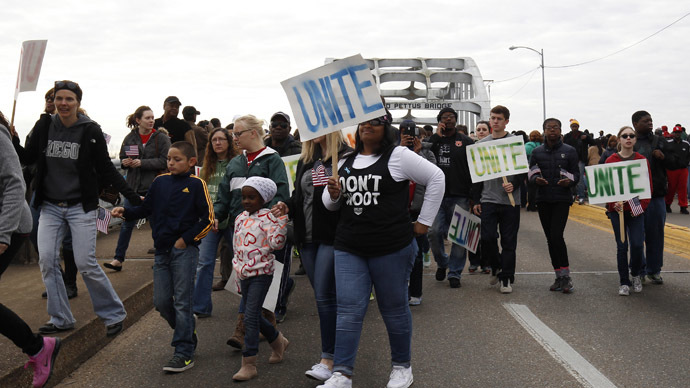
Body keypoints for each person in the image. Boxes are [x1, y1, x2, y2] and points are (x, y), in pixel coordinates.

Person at [318, 113, 444, 388]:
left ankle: (401, 367)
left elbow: (436, 178)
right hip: (350, 246)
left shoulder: (398, 156)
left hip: (391, 247)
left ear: (386, 128)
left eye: (374, 122)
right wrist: (334, 193)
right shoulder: (345, 160)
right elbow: (330, 205)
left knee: (394, 309)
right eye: (363, 122)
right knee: (349, 310)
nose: (367, 126)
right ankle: (342, 373)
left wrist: (424, 223)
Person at [14, 80, 140, 337]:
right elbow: (27, 159)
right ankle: (60, 317)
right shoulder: (44, 125)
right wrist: (12, 137)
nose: (63, 103)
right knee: (47, 260)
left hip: (80, 208)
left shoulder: (90, 130)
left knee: (86, 262)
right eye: (59, 98)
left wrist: (134, 198)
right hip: (49, 206)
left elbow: (106, 168)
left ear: (78, 103)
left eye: (68, 99)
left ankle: (114, 314)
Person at [111, 141, 213, 373]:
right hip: (161, 251)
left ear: (191, 162)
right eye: (169, 159)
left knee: (183, 301)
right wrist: (126, 212)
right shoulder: (160, 182)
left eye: (177, 159)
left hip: (184, 251)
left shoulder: (197, 184)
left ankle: (184, 351)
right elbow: (146, 210)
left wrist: (185, 239)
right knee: (161, 301)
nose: (171, 163)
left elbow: (206, 219)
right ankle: (186, 331)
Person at [271, 131, 352, 382]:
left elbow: (350, 199)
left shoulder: (347, 157)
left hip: (331, 236)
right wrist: (287, 205)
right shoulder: (308, 159)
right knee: (325, 298)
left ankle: (329, 359)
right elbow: (300, 196)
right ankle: (338, 356)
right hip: (306, 239)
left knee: (326, 297)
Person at [213, 115, 289, 349]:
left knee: (252, 280)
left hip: (262, 235)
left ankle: (243, 330)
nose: (234, 138)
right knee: (247, 280)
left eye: (238, 133)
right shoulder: (236, 164)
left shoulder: (272, 160)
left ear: (253, 133)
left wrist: (273, 215)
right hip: (240, 232)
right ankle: (270, 329)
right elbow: (225, 194)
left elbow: (281, 192)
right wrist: (217, 214)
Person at [1, 116, 62, 388]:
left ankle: (38, 347)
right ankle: (38, 347)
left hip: (9, 227)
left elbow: (15, 183)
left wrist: (2, 234)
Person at [230, 177, 290, 381]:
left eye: (251, 197)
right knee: (253, 315)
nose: (246, 201)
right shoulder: (239, 218)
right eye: (244, 197)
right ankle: (277, 340)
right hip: (244, 274)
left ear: (263, 198)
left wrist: (282, 222)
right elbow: (237, 246)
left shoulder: (269, 218)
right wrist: (236, 269)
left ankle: (249, 362)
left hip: (262, 273)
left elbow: (277, 244)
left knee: (249, 316)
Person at [105, 106, 170, 271]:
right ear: (138, 120)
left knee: (157, 223)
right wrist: (125, 162)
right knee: (127, 223)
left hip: (154, 188)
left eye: (152, 117)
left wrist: (142, 163)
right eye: (147, 118)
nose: (151, 120)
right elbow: (122, 157)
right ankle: (118, 259)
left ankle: (161, 259)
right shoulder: (130, 138)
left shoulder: (161, 138)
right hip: (133, 188)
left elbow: (166, 161)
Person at [471, 105, 524, 294]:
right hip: (488, 198)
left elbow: (522, 171)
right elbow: (476, 175)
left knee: (509, 241)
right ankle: (496, 265)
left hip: (510, 200)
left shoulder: (515, 143)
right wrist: (475, 200)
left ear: (506, 121)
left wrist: (514, 184)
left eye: (499, 118)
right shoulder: (481, 144)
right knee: (487, 238)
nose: (495, 121)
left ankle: (506, 278)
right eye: (493, 118)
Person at [529, 119, 579, 293]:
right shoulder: (536, 152)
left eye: (555, 128)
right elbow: (531, 172)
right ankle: (558, 276)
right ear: (543, 131)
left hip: (561, 199)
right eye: (549, 128)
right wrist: (536, 180)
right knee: (550, 238)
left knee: (557, 235)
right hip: (543, 199)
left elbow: (576, 175)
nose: (552, 130)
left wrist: (569, 182)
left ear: (560, 131)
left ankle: (566, 276)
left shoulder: (570, 151)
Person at [426, 107, 474, 288]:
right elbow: (422, 154)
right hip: (436, 195)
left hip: (460, 194)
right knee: (434, 232)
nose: (449, 120)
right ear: (439, 120)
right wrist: (437, 136)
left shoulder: (466, 141)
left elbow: (473, 170)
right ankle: (442, 262)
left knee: (460, 237)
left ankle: (455, 273)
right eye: (445, 117)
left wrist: (473, 196)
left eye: (452, 117)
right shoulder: (433, 141)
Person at [193, 128, 239, 317]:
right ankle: (200, 307)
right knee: (204, 263)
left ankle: (255, 308)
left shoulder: (237, 164)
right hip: (211, 222)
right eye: (214, 140)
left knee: (246, 262)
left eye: (221, 139)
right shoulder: (205, 167)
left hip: (233, 221)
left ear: (229, 142)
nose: (218, 143)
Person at [263, 111, 301, 322]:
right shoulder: (263, 150)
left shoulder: (298, 151)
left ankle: (279, 306)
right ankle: (285, 286)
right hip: (265, 210)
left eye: (283, 124)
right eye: (274, 123)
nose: (278, 127)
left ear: (289, 127)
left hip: (288, 210)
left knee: (281, 260)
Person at [604, 126, 651, 295]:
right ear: (619, 140)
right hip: (617, 211)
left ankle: (636, 274)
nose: (628, 138)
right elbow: (605, 186)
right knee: (622, 246)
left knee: (638, 245)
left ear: (635, 139)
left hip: (636, 208)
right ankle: (624, 282)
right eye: (625, 136)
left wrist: (641, 206)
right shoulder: (611, 160)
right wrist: (612, 204)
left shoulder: (641, 160)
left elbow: (647, 188)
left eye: (632, 135)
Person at [399, 120, 437, 305]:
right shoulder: (393, 152)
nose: (409, 138)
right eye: (404, 134)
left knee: (415, 253)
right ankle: (399, 291)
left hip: (417, 208)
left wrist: (417, 154)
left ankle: (415, 292)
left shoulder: (427, 153)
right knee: (397, 253)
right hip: (398, 209)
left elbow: (433, 175)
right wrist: (400, 149)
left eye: (412, 134)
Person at [632, 110, 667, 284]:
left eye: (651, 120)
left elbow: (677, 162)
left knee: (655, 235)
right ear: (635, 124)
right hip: (636, 197)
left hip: (656, 197)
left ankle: (654, 270)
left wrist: (663, 157)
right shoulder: (630, 142)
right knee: (637, 238)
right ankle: (639, 269)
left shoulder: (660, 141)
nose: (650, 123)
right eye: (646, 121)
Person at [563, 119, 596, 204]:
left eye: (576, 126)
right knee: (570, 177)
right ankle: (572, 194)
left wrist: (587, 137)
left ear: (578, 127)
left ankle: (581, 196)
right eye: (573, 126)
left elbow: (593, 142)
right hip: (570, 159)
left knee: (580, 178)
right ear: (571, 127)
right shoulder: (567, 136)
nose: (574, 128)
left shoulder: (583, 135)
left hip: (580, 160)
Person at [663, 125, 690, 214]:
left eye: (679, 133)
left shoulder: (686, 144)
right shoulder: (668, 143)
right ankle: (667, 204)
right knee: (671, 188)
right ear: (673, 133)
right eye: (676, 132)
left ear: (681, 133)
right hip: (671, 170)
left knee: (683, 188)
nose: (677, 134)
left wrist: (686, 163)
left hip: (683, 169)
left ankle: (683, 206)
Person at [525, 130, 544, 212]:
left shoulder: (527, 146)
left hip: (530, 168)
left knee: (530, 188)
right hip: (541, 169)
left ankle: (531, 204)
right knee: (539, 187)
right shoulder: (543, 146)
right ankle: (538, 204)